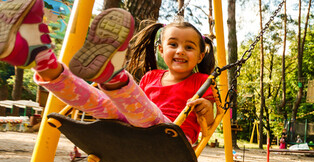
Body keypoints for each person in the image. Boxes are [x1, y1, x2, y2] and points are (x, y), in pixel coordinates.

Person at [0, 0, 215, 144]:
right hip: (135, 129)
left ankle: (113, 75)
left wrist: (204, 107)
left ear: (200, 55)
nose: (180, 51)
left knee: (148, 115)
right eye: (173, 44)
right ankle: (43, 61)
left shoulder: (202, 81)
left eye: (189, 47)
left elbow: (210, 116)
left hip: (171, 138)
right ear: (161, 49)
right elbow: (132, 104)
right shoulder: (151, 77)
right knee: (101, 102)